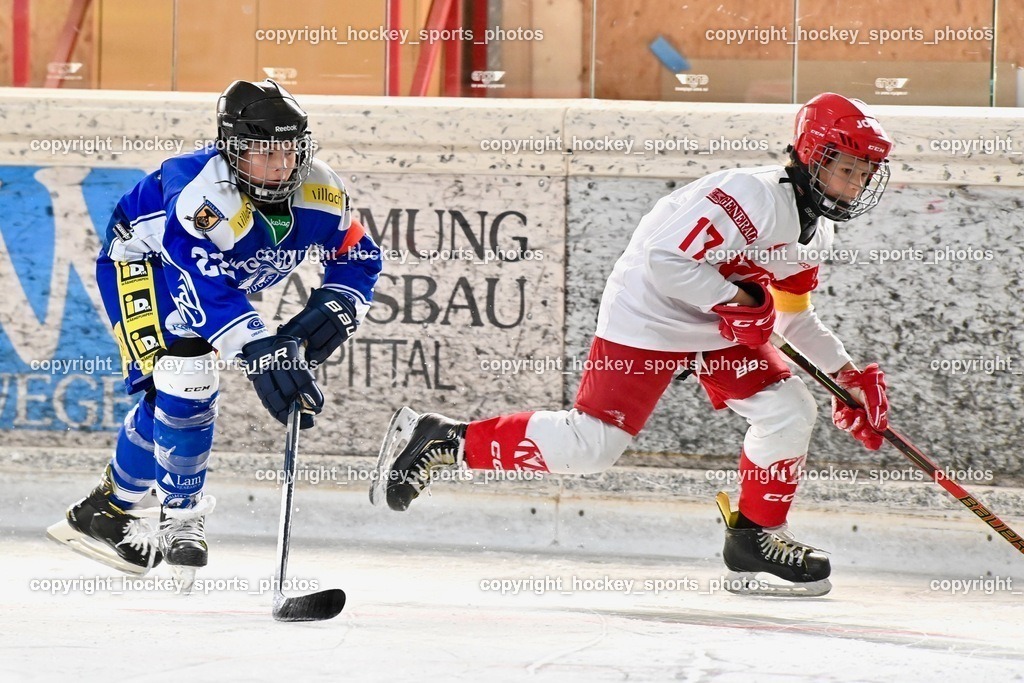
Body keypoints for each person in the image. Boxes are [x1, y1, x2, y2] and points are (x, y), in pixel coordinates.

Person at [371, 93, 893, 596]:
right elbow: (663, 261)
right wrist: (734, 298)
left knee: (788, 408)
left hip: (717, 327)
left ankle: (754, 536)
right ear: (810, 156)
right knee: (591, 446)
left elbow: (795, 317)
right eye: (847, 168)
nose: (856, 184)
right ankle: (443, 439)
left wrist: (845, 376)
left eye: (865, 174)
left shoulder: (817, 235)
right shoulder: (752, 196)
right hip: (652, 313)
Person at [47, 79, 382, 584]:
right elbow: (201, 288)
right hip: (143, 263)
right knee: (185, 374)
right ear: (231, 148)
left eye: (290, 150)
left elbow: (358, 256)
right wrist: (259, 349)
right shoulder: (201, 197)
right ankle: (181, 518)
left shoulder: (323, 190)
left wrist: (338, 306)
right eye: (262, 151)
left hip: (211, 277)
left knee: (171, 395)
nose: (280, 166)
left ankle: (106, 512)